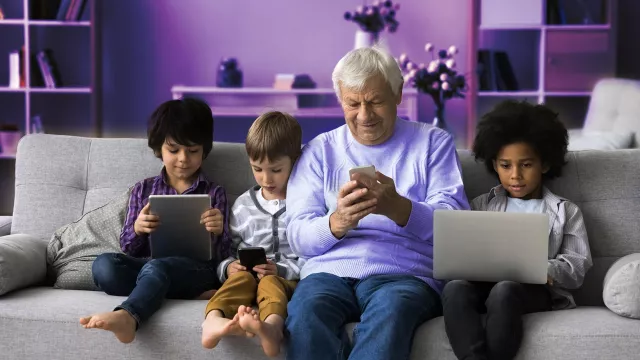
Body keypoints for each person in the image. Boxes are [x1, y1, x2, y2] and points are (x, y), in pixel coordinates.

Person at [284, 46, 470, 360]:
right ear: (340, 100)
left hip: (405, 274)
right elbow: (297, 236)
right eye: (352, 103)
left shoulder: (433, 143)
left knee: (392, 311)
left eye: (375, 101)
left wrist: (400, 208)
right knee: (305, 314)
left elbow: (456, 227)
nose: (364, 115)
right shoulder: (319, 151)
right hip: (328, 272)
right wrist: (337, 222)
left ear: (398, 94)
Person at [442, 100, 592, 360]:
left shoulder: (566, 211)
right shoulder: (480, 206)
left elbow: (577, 267)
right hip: (482, 288)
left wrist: (542, 269)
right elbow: (463, 253)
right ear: (494, 165)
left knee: (506, 288)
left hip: (532, 292)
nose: (515, 176)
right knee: (454, 288)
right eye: (505, 165)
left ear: (544, 164)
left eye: (526, 165)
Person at [79, 98, 231, 344]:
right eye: (174, 150)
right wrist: (138, 229)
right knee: (104, 265)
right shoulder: (143, 189)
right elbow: (128, 248)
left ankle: (129, 315)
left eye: (193, 151)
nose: (183, 158)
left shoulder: (214, 193)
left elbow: (224, 256)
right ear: (159, 148)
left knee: (157, 268)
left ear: (204, 150)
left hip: (197, 270)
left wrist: (220, 231)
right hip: (151, 265)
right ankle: (178, 293)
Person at [200, 111, 303, 357]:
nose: (266, 179)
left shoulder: (304, 202)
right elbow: (228, 250)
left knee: (269, 283)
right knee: (239, 280)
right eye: (257, 169)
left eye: (276, 170)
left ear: (295, 160)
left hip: (286, 279)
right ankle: (214, 320)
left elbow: (313, 254)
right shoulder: (244, 205)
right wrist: (228, 267)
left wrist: (280, 270)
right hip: (247, 275)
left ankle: (272, 329)